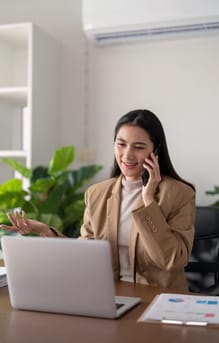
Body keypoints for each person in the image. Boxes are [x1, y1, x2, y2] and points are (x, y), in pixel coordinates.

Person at [0, 109, 195, 291]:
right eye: (121, 144)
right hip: (108, 295)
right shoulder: (97, 194)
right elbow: (83, 256)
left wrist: (149, 201)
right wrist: (46, 231)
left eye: (138, 147)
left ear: (155, 151)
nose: (127, 155)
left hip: (157, 298)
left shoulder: (180, 194)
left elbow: (171, 260)